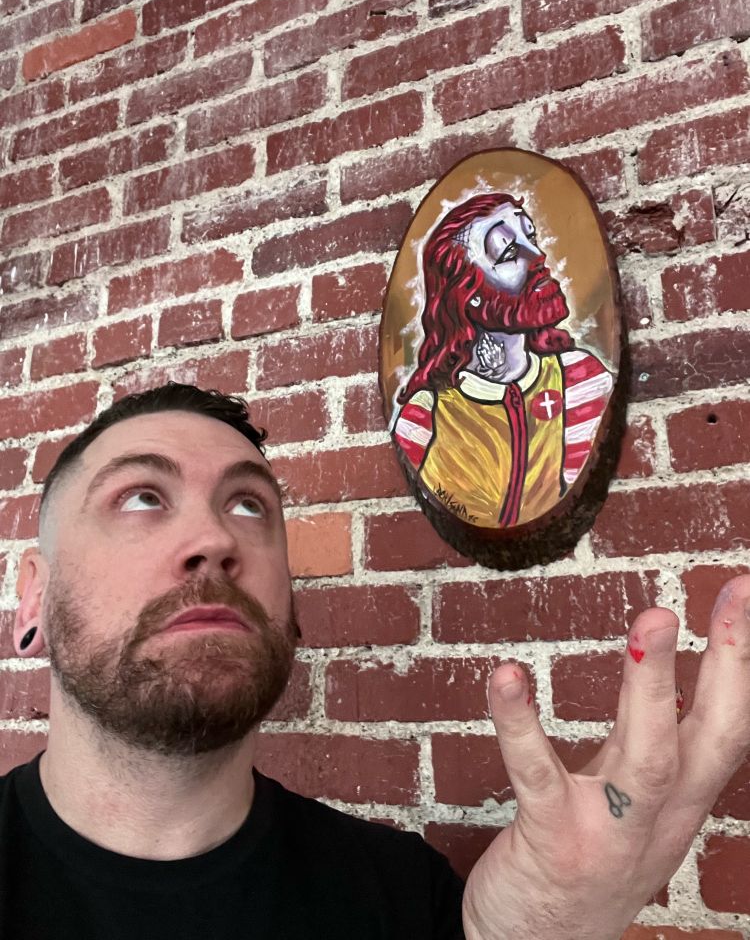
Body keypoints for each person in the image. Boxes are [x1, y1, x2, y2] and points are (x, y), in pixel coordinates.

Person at [2, 383, 748, 939]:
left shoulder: (403, 897)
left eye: (249, 506)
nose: (216, 539)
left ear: (290, 609)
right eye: (141, 497)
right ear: (32, 599)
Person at [393, 192, 613, 528]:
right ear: (468, 293)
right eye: (508, 252)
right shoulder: (426, 416)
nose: (537, 256)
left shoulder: (581, 381)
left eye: (531, 236)